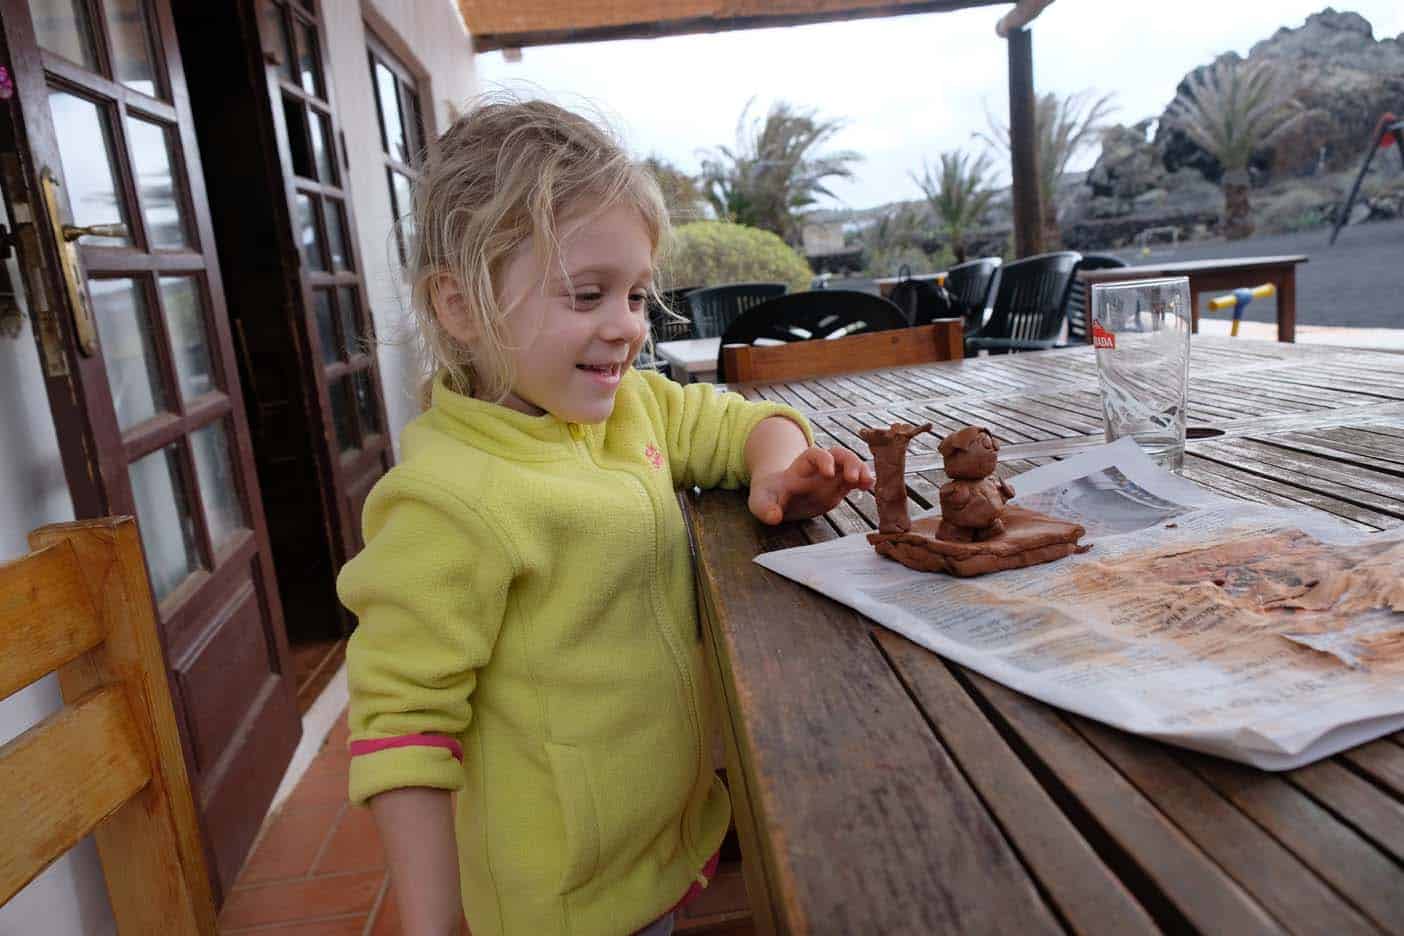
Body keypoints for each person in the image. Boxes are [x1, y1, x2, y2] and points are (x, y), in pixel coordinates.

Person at [336, 96, 873, 936]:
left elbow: (739, 420)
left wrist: (777, 474)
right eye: (589, 294)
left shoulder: (629, 409)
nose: (626, 327)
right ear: (461, 306)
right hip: (562, 898)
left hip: (660, 844)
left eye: (637, 294)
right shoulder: (445, 499)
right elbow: (400, 726)